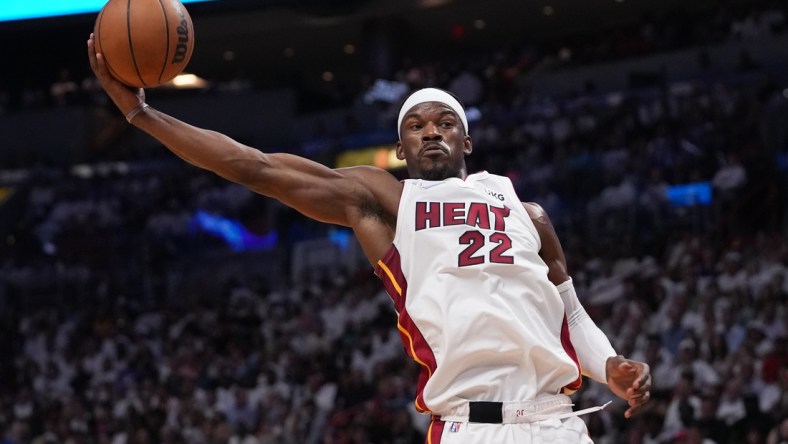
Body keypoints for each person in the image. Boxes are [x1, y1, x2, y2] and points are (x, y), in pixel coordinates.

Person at [87, 34, 651, 443]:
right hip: (473, 427)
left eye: (445, 122)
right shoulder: (386, 199)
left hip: (560, 423)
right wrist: (143, 115)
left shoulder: (528, 212)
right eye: (417, 125)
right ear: (401, 151)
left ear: (467, 142)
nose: (432, 130)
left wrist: (614, 367)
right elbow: (254, 168)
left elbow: (571, 316)